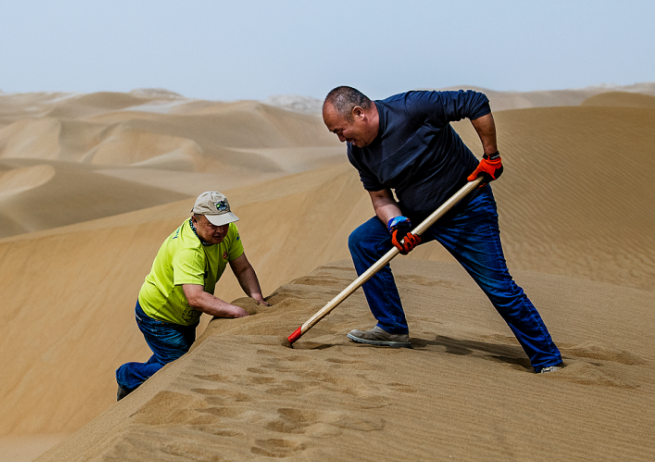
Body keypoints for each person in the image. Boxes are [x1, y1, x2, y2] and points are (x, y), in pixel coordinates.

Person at [321, 86, 562, 373]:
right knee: (363, 241)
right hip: (418, 215)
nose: (341, 138)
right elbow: (381, 198)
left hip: (466, 209)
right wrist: (397, 225)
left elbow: (475, 102)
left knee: (498, 287)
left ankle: (546, 358)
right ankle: (392, 328)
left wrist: (491, 154)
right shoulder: (358, 153)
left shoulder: (412, 107)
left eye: (341, 130)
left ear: (359, 113)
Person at [116, 191, 270, 399]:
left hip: (184, 317)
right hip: (159, 316)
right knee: (179, 367)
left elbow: (242, 268)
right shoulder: (188, 249)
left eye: (224, 223)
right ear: (194, 220)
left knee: (171, 358)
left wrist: (257, 297)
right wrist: (236, 311)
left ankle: (137, 384)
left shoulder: (228, 231)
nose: (220, 230)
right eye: (212, 224)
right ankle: (128, 376)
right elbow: (195, 297)